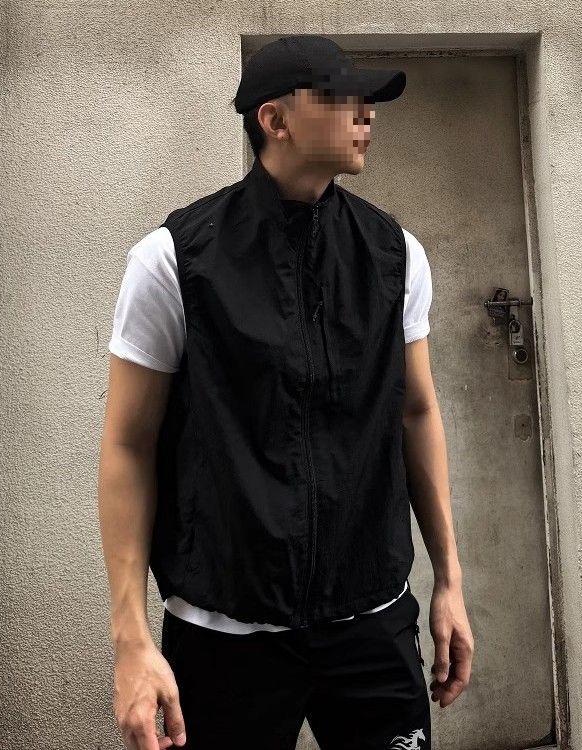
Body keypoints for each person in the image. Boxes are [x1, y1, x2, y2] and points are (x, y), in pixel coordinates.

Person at [98, 34, 473, 750]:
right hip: (223, 633)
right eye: (342, 98)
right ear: (275, 120)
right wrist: (131, 640)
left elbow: (417, 411)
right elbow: (128, 446)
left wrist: (450, 581)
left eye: (367, 101)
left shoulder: (394, 255)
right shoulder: (173, 260)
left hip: (370, 617)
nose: (367, 114)